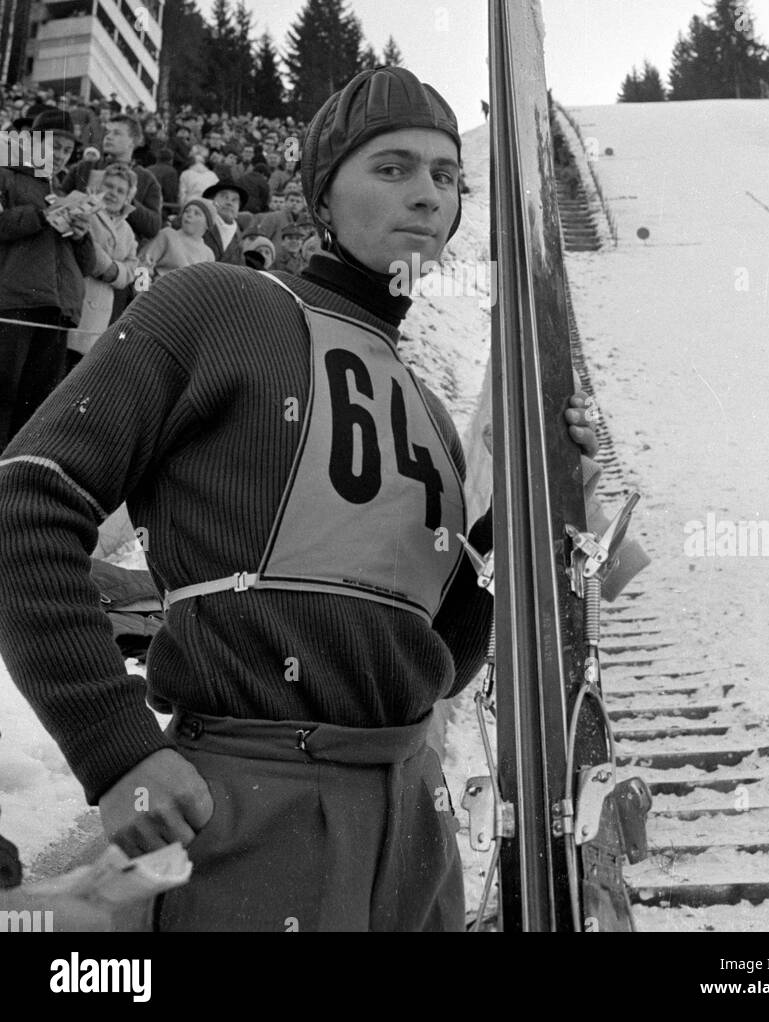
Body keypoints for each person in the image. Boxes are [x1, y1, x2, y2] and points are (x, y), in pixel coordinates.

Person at [0, 65, 605, 934]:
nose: (427, 196)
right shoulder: (220, 306)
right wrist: (113, 746)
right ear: (321, 195)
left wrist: (525, 520)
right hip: (251, 802)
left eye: (445, 175)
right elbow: (29, 499)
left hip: (411, 825)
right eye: (391, 168)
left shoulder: (428, 409)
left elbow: (433, 658)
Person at [0, 109, 96, 448]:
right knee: (4, 395)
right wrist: (41, 215)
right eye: (54, 146)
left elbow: (87, 264)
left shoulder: (67, 190)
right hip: (14, 301)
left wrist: (82, 234)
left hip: (58, 308)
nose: (59, 156)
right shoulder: (7, 176)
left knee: (37, 407)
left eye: (66, 151)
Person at [66, 163, 140, 368]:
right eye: (109, 186)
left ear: (127, 197)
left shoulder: (127, 230)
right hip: (78, 298)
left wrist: (115, 271)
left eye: (120, 190)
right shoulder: (85, 208)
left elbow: (133, 267)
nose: (113, 193)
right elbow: (88, 246)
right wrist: (111, 267)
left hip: (101, 312)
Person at [61, 113, 162, 246]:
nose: (108, 137)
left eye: (117, 133)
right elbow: (60, 199)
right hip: (77, 243)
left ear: (133, 141)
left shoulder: (147, 179)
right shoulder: (83, 167)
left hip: (117, 251)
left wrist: (127, 201)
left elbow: (153, 227)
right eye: (107, 132)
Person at [138, 199, 216, 280]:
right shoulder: (168, 234)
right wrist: (142, 290)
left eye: (197, 213)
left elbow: (207, 285)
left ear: (207, 224)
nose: (189, 215)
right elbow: (143, 263)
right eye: (186, 211)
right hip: (160, 289)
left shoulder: (209, 254)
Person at [202, 173, 248, 264]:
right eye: (224, 197)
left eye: (234, 200)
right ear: (212, 200)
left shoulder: (239, 238)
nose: (229, 203)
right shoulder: (201, 224)